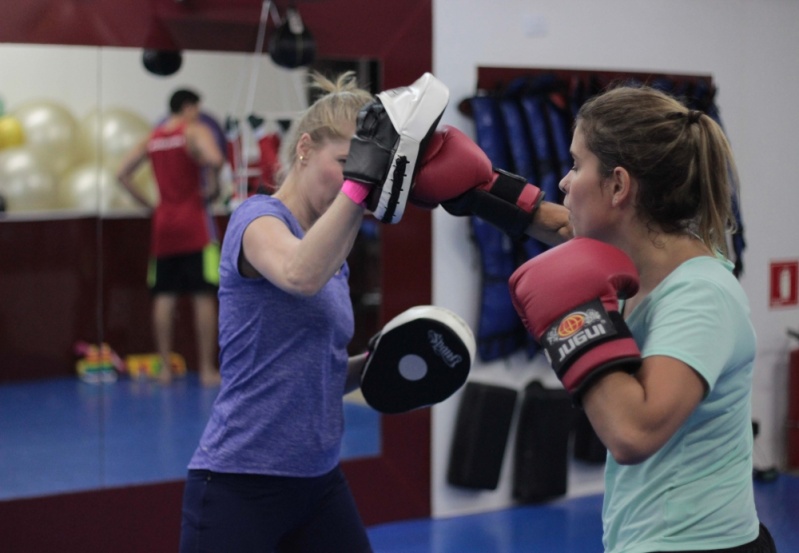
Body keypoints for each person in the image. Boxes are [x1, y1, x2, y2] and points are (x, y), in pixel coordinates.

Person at [509, 85, 776, 552]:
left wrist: (574, 317)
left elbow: (634, 433)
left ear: (618, 185)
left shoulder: (699, 295)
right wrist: (476, 191)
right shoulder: (645, 255)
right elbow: (560, 224)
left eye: (576, 165)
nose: (565, 183)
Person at [117, 88, 225, 387]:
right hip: (194, 224)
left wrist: (148, 205)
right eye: (197, 109)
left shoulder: (152, 138)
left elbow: (120, 173)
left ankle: (165, 369)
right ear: (188, 108)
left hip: (163, 226)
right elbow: (215, 159)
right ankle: (206, 369)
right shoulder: (194, 131)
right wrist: (212, 189)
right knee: (203, 294)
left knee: (164, 295)